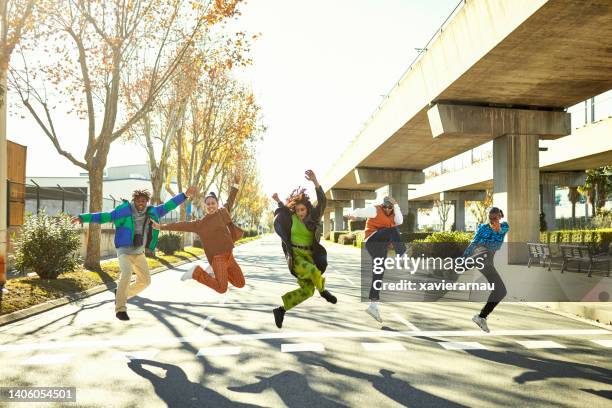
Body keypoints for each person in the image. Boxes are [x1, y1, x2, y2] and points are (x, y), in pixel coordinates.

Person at [73, 187, 195, 321]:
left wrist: (184, 195)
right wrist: (82, 218)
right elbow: (105, 216)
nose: (141, 204)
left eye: (143, 201)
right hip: (124, 250)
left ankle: (120, 293)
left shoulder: (152, 212)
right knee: (126, 273)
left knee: (146, 281)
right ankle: (120, 309)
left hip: (139, 252)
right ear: (134, 201)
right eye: (138, 201)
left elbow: (169, 205)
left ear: (147, 202)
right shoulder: (123, 211)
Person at [152, 175, 245, 294]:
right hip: (218, 259)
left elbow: (231, 199)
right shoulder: (201, 224)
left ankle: (213, 272)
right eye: (208, 204)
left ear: (217, 203)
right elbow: (182, 225)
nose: (211, 206)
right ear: (204, 206)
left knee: (240, 283)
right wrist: (161, 227)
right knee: (222, 288)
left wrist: (236, 184)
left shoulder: (223, 212)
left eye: (213, 203)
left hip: (229, 256)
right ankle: (196, 272)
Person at [271, 170, 337, 328]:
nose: (300, 213)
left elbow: (322, 203)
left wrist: (315, 182)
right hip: (296, 258)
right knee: (314, 272)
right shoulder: (291, 218)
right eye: (298, 210)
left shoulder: (312, 219)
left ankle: (280, 310)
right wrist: (279, 200)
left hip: (310, 256)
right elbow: (283, 211)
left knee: (308, 291)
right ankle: (323, 291)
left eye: (303, 210)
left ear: (307, 209)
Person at [347, 196, 406, 323]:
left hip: (380, 247)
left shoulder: (394, 213)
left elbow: (400, 220)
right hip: (371, 241)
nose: (387, 210)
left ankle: (373, 306)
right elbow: (359, 210)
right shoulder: (375, 210)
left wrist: (396, 205)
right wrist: (353, 215)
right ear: (382, 205)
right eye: (385, 207)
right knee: (392, 230)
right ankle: (402, 255)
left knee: (379, 272)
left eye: (390, 208)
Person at [463, 207, 509, 333]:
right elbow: (473, 243)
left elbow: (499, 231)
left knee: (500, 291)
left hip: (487, 261)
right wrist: (464, 257)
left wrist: (496, 226)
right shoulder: (483, 227)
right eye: (491, 218)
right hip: (482, 257)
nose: (493, 221)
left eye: (495, 218)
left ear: (500, 217)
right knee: (480, 254)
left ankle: (481, 317)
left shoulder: (505, 226)